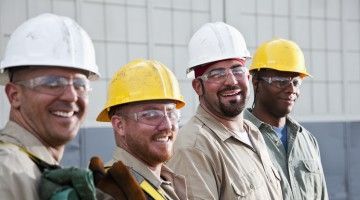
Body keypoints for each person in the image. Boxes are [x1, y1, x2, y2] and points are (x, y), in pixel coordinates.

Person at [167, 22, 282, 199]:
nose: (231, 81)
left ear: (248, 77)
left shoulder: (254, 133)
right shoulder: (194, 148)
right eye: (217, 73)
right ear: (198, 86)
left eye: (237, 69)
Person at [0, 13, 100, 199]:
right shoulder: (7, 171)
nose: (71, 96)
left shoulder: (33, 168)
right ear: (14, 96)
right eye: (53, 83)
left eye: (80, 85)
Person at [244, 38, 328, 200]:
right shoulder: (238, 137)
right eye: (281, 81)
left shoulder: (307, 141)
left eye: (296, 82)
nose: (291, 89)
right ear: (256, 83)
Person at [92, 59, 188, 200]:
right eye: (151, 115)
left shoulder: (166, 182)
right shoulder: (111, 191)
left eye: (172, 113)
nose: (167, 125)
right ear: (120, 125)